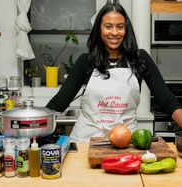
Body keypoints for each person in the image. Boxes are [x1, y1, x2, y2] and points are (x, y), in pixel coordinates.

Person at [46, 2, 182, 142]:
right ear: (99, 29)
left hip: (126, 142)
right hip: (86, 142)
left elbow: (167, 100)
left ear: (126, 30)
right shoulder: (85, 61)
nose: (115, 32)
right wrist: (30, 125)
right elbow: (58, 104)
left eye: (120, 27)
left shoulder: (140, 59)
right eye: (108, 26)